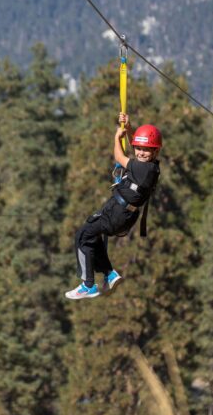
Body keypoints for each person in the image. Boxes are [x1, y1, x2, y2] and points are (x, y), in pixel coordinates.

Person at [65, 113, 162, 300]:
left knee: (83, 236)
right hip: (121, 212)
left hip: (118, 213)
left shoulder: (144, 168)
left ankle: (88, 284)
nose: (141, 152)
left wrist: (117, 137)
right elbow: (137, 142)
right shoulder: (151, 166)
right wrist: (129, 126)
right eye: (139, 148)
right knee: (93, 236)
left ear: (155, 152)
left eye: (146, 150)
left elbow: (119, 156)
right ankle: (109, 274)